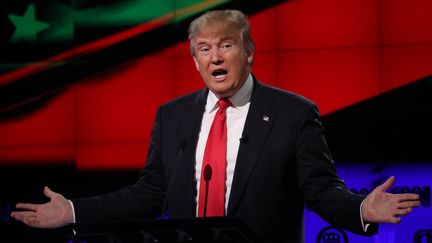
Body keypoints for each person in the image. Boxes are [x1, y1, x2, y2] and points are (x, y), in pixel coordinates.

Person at [11, 10, 420, 243]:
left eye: (225, 45)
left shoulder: (293, 113)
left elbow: (320, 189)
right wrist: (74, 211)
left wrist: (361, 208)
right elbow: (149, 195)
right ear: (194, 61)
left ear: (248, 53)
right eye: (204, 49)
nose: (215, 57)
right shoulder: (173, 116)